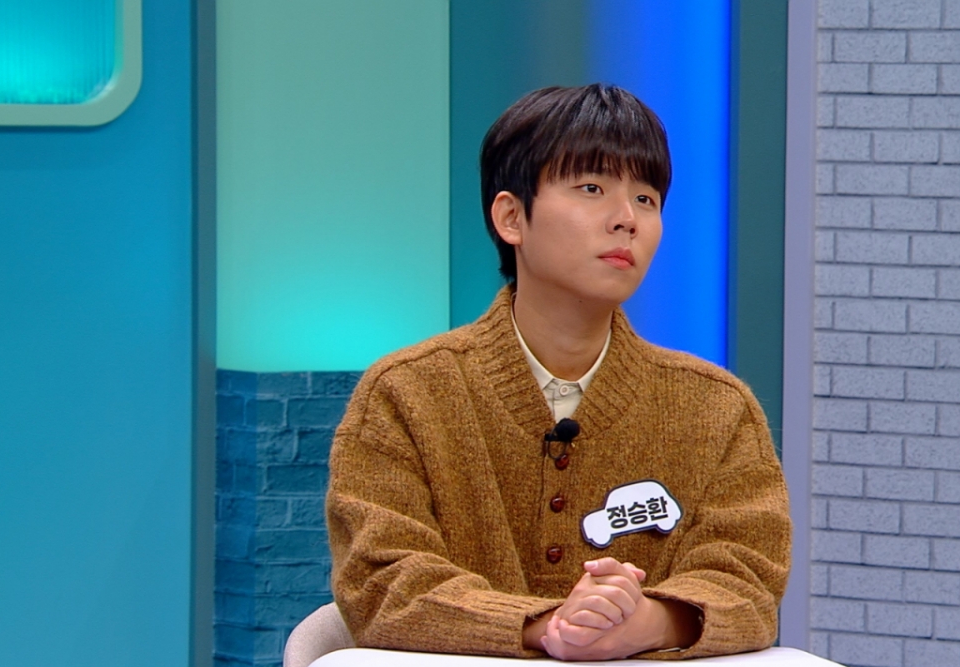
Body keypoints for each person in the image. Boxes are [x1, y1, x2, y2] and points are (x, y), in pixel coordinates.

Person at [326, 83, 791, 661]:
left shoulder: (717, 408)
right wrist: (548, 626)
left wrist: (651, 620)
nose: (627, 220)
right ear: (511, 217)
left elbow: (748, 579)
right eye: (592, 189)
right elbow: (381, 582)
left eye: (646, 198)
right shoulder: (404, 395)